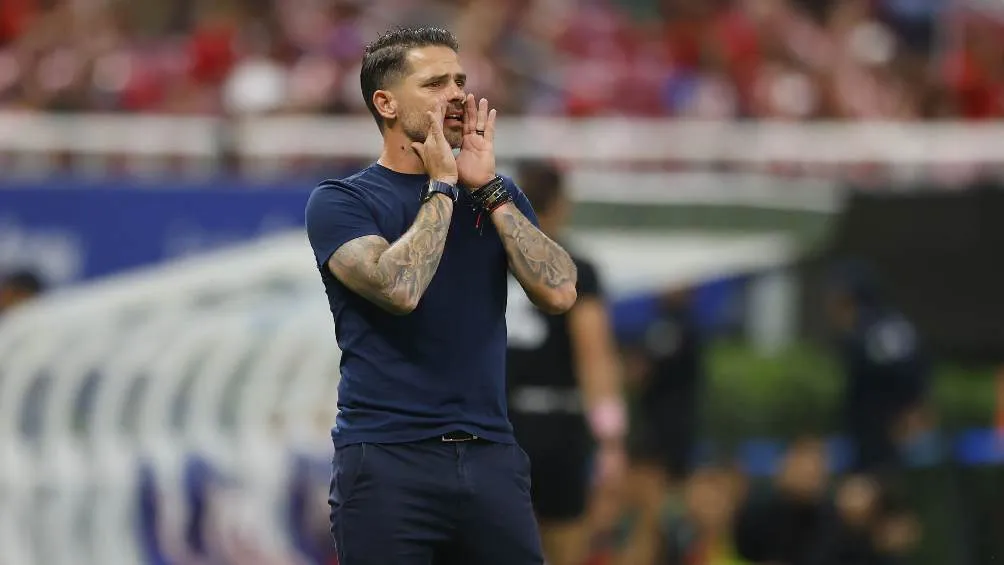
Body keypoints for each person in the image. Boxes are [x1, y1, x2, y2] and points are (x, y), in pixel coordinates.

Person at [304, 27, 579, 565]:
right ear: (386, 103)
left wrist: (490, 190)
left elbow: (561, 291)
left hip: (491, 455)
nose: (456, 95)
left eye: (460, 81)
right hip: (387, 459)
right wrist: (443, 187)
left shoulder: (494, 194)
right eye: (434, 84)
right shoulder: (342, 201)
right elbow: (399, 288)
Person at [505, 160, 627, 565]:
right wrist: (610, 439)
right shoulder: (575, 268)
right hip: (557, 422)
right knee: (565, 545)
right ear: (560, 203)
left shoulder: (487, 262)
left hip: (494, 423)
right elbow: (594, 356)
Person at [825, 260, 930, 475]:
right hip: (891, 433)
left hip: (882, 437)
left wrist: (910, 411)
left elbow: (904, 372)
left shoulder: (865, 333)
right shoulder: (893, 324)